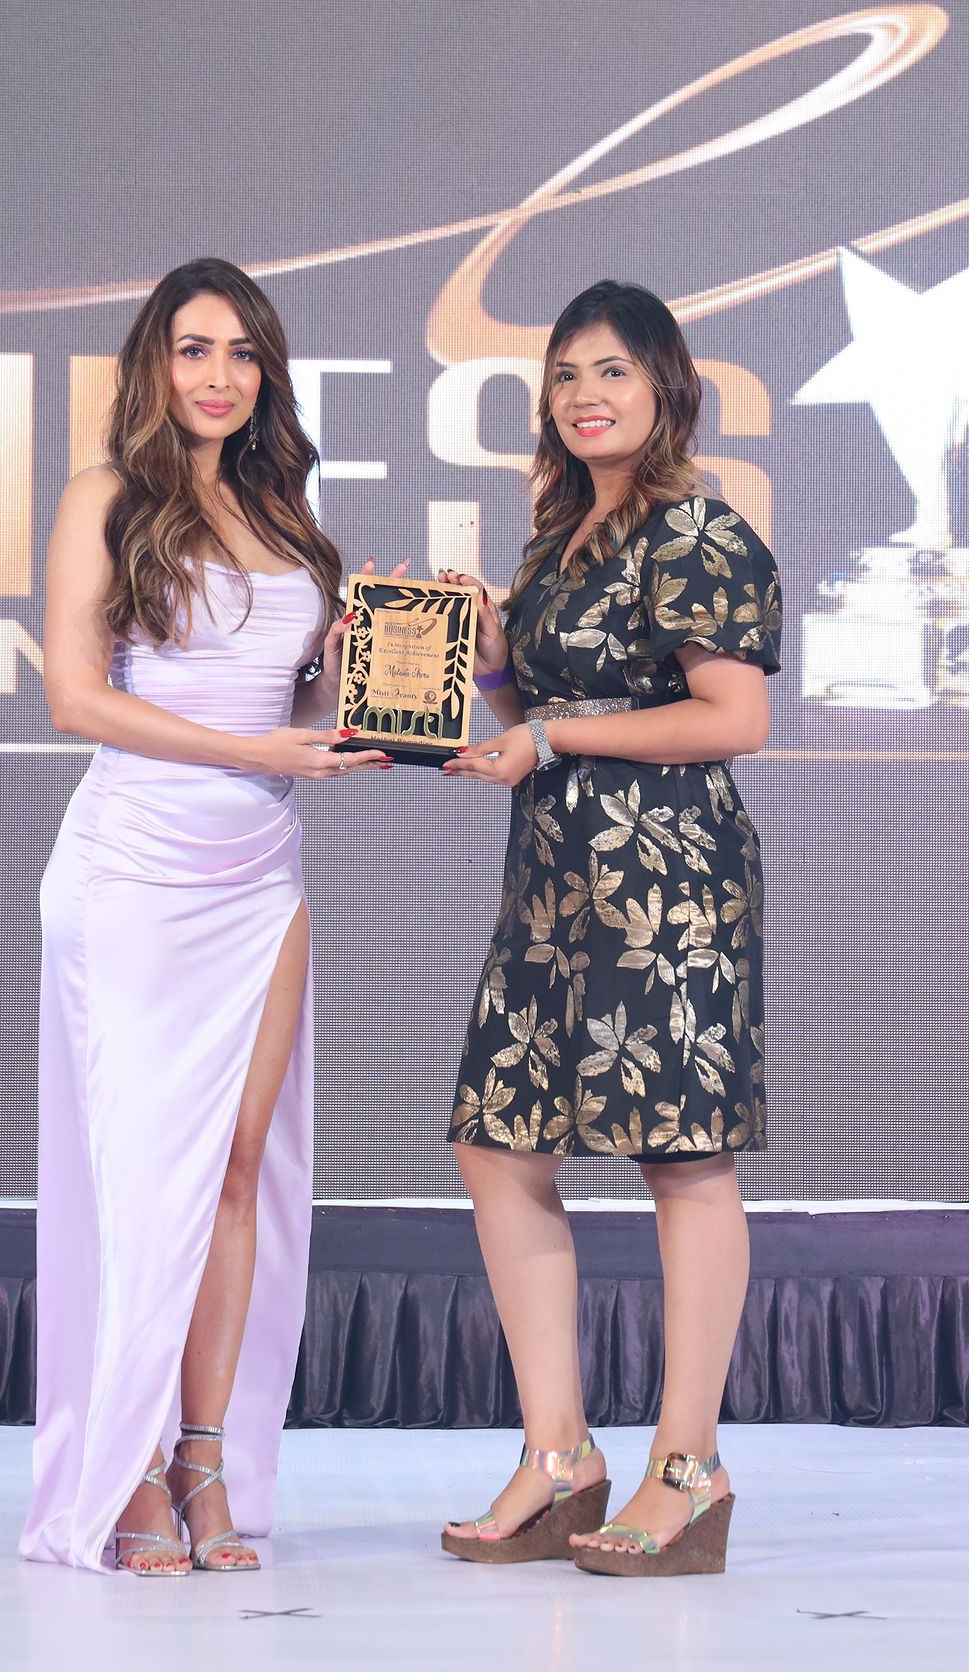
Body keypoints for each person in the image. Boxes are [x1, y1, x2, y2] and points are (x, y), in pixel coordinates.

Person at [20, 258, 395, 1575]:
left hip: (261, 874)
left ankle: (201, 1460)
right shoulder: (104, 496)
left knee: (238, 1170)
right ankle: (124, 1468)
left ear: (266, 371)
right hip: (133, 871)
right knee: (143, 1178)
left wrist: (353, 679)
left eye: (242, 351)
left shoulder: (286, 514)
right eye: (194, 348)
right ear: (154, 362)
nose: (219, 374)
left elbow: (297, 716)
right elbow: (75, 697)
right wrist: (257, 752)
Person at [438, 279, 780, 1577]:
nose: (586, 396)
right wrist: (485, 663)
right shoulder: (555, 536)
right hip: (556, 879)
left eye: (614, 371)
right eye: (567, 375)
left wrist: (547, 731)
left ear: (667, 388)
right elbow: (537, 713)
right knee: (496, 1141)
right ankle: (561, 1457)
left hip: (667, 881)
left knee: (682, 1159)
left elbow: (732, 718)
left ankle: (688, 1468)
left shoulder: (698, 528)